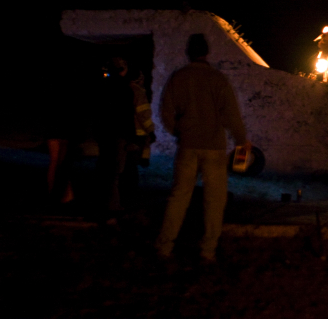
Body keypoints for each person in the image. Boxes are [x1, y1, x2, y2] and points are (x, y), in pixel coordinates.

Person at [155, 33, 248, 263]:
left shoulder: (178, 77)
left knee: (178, 197)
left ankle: (164, 247)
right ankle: (208, 250)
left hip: (187, 146)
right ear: (207, 52)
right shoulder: (218, 79)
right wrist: (241, 140)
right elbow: (231, 114)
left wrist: (179, 132)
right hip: (214, 147)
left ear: (188, 53)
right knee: (215, 200)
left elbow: (165, 112)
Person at [95, 56, 135, 223]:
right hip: (119, 134)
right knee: (115, 172)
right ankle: (112, 207)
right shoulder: (125, 88)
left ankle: (103, 204)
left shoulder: (103, 86)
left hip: (105, 133)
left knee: (105, 168)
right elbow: (127, 115)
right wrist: (132, 138)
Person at [119, 68, 156, 209]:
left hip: (126, 133)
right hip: (137, 134)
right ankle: (130, 198)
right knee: (131, 167)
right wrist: (151, 130)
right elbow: (143, 114)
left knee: (125, 166)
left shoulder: (123, 89)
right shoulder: (139, 92)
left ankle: (123, 196)